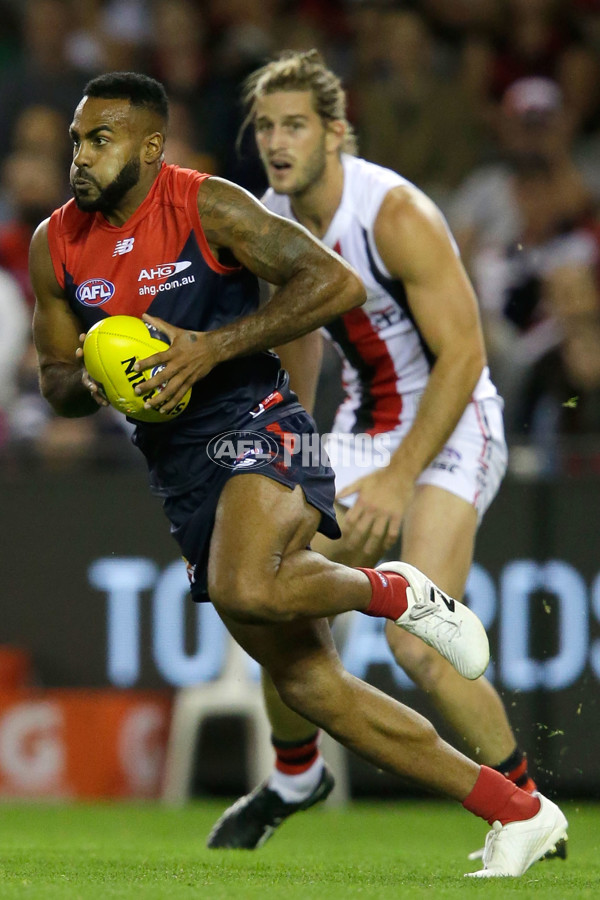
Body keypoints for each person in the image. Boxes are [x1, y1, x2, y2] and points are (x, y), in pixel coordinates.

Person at [29, 71, 567, 878]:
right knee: (309, 680)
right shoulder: (55, 243)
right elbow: (55, 381)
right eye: (76, 139)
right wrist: (94, 382)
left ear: (147, 145)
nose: (80, 155)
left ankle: (403, 593)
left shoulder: (219, 206)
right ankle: (515, 809)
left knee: (250, 583)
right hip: (199, 461)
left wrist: (214, 349)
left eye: (99, 139)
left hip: (267, 421)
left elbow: (336, 287)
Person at [204, 50, 565, 864]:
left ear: (335, 131)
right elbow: (293, 349)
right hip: (363, 430)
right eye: (264, 126)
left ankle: (528, 809)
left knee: (415, 644)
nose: (276, 141)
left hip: (454, 421)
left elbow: (466, 354)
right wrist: (288, 458)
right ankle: (297, 776)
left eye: (294, 124)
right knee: (270, 597)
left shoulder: (394, 212)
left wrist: (399, 480)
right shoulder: (271, 216)